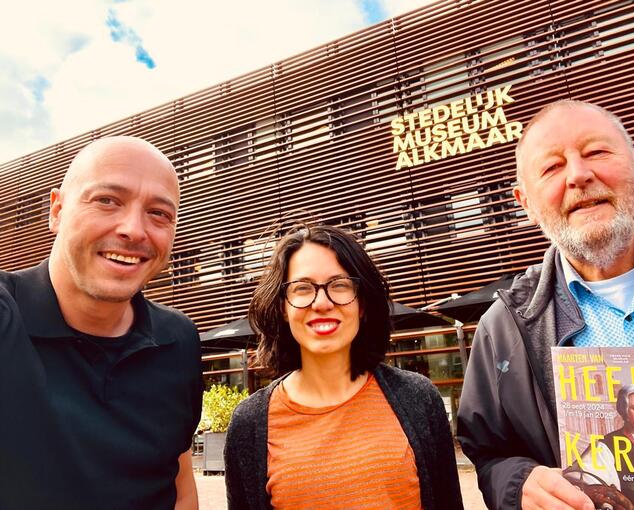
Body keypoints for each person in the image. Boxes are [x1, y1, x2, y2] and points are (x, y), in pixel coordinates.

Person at [456, 100, 634, 510]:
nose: (579, 174)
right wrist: (519, 482)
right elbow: (487, 455)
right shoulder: (502, 330)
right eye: (552, 167)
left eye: (596, 152)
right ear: (525, 202)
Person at [0, 136, 203, 510]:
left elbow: (179, 478)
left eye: (159, 213)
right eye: (107, 200)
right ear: (56, 211)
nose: (134, 230)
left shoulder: (180, 339)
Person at [224, 224, 463, 509]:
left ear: (361, 304)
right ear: (282, 308)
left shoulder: (418, 398)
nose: (322, 303)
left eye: (339, 285)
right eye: (302, 288)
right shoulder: (249, 424)